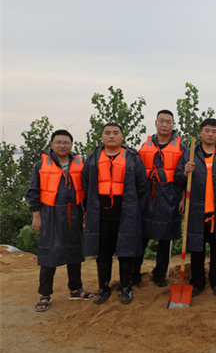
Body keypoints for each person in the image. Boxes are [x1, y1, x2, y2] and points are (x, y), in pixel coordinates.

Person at [26, 129, 95, 311]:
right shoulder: (41, 165)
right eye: (58, 142)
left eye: (66, 142)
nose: (62, 145)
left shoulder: (81, 165)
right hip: (50, 214)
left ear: (72, 145)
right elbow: (33, 192)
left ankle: (75, 289)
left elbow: (87, 191)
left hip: (74, 213)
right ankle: (45, 294)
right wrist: (36, 216)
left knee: (75, 252)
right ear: (52, 145)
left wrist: (89, 213)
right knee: (49, 253)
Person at [81, 123, 148, 305]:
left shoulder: (133, 158)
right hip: (101, 215)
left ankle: (126, 288)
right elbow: (85, 183)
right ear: (102, 137)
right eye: (107, 133)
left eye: (115, 133)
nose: (111, 136)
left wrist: (135, 209)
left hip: (126, 213)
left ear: (122, 137)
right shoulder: (93, 158)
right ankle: (104, 288)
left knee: (126, 252)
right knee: (103, 253)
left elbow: (142, 185)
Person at [175, 118, 216, 296]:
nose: (210, 134)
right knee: (197, 249)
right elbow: (178, 179)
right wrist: (185, 171)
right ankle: (197, 282)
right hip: (196, 211)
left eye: (214, 131)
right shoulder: (189, 154)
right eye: (207, 130)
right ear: (201, 132)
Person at [134, 110, 186, 288]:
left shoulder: (181, 146)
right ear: (155, 123)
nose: (165, 125)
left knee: (165, 237)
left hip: (170, 193)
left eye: (168, 122)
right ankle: (134, 274)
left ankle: (159, 274)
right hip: (147, 194)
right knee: (141, 235)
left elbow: (186, 176)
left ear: (173, 124)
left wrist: (183, 198)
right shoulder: (146, 144)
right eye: (161, 121)